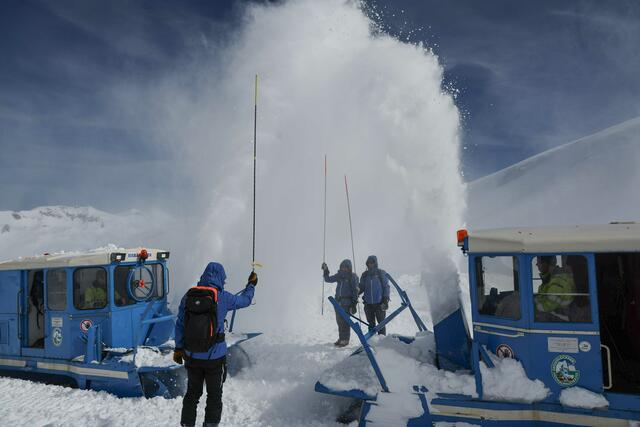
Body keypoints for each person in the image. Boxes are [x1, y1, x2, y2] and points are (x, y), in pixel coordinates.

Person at [174, 262, 258, 427]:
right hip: (215, 358)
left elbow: (180, 324)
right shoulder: (223, 297)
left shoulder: (188, 297)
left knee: (192, 394)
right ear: (221, 278)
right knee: (214, 396)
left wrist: (178, 348)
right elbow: (245, 300)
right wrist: (251, 284)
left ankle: (186, 425)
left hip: (192, 357)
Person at [322, 259, 359, 347]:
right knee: (339, 322)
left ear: (349, 268)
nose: (343, 269)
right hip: (338, 303)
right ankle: (341, 338)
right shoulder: (339, 276)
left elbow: (355, 290)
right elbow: (328, 279)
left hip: (347, 303)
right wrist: (326, 270)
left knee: (345, 322)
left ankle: (345, 340)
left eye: (345, 267)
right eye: (342, 267)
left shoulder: (352, 277)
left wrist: (354, 304)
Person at [534, 256, 575, 322]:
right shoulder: (548, 280)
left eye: (539, 262)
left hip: (560, 319)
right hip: (555, 316)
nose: (537, 265)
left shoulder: (558, 280)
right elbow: (541, 297)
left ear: (547, 264)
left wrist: (532, 305)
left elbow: (547, 306)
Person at [359, 255, 390, 335]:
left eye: (372, 262)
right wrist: (355, 294)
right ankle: (372, 341)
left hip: (379, 303)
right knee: (371, 325)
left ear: (375, 263)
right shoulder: (365, 275)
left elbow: (386, 286)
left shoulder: (381, 273)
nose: (370, 264)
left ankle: (382, 342)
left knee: (381, 325)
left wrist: (385, 299)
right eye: (369, 263)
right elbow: (361, 287)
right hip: (368, 304)